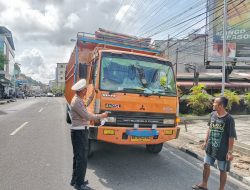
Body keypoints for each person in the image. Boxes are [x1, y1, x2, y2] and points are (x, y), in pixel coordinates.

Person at [70, 79, 108, 190]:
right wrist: (102, 116)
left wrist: (92, 96)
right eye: (85, 89)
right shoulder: (77, 101)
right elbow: (88, 116)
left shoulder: (78, 100)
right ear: (81, 90)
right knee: (82, 158)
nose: (86, 90)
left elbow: (85, 105)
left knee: (78, 157)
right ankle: (79, 184)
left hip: (79, 131)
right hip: (80, 132)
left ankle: (75, 180)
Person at [192, 96, 237, 190]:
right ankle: (204, 184)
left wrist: (230, 152)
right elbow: (210, 128)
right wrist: (206, 141)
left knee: (222, 170)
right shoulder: (213, 114)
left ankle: (221, 189)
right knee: (206, 164)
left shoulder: (229, 119)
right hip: (211, 146)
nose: (213, 104)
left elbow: (231, 136)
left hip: (222, 150)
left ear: (221, 105)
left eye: (215, 102)